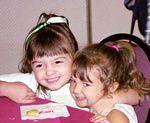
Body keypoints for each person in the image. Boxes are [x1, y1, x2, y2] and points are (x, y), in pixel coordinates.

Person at [0, 12, 141, 114]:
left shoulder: (88, 83)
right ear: (30, 64)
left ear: (75, 57)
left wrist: (112, 99)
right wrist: (7, 88)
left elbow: (138, 96)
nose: (49, 71)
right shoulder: (31, 82)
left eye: (58, 61)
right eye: (39, 65)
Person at [69, 41, 150, 123]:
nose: (76, 90)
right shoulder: (90, 99)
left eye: (86, 84)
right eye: (73, 81)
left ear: (111, 87)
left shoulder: (117, 117)